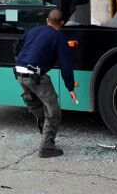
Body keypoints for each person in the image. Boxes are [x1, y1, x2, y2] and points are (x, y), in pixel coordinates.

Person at [14, 9, 77, 158]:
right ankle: (47, 147)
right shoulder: (58, 37)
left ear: (47, 20)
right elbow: (65, 65)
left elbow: (17, 47)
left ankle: (46, 138)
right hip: (36, 76)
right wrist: (70, 87)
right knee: (53, 111)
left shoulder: (32, 31)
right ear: (62, 23)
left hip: (18, 72)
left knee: (37, 106)